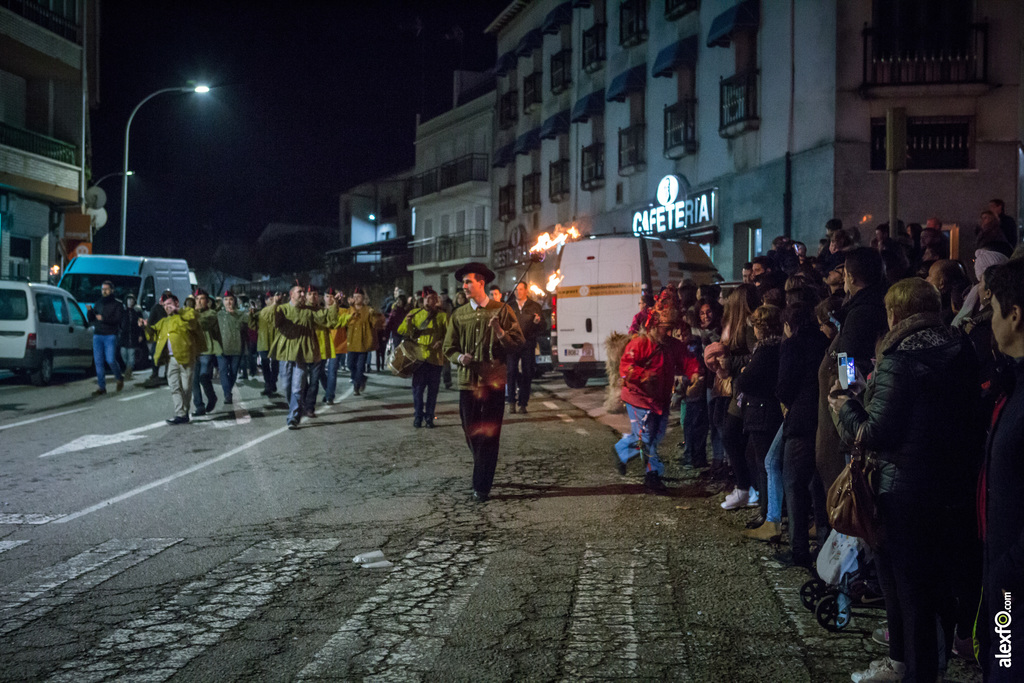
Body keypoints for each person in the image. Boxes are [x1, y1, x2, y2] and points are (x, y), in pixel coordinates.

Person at [831, 277, 981, 683]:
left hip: (903, 489)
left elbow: (873, 433)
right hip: (952, 484)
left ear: (895, 314)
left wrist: (846, 407)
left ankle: (916, 671)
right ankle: (917, 664)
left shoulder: (900, 357)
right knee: (936, 588)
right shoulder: (959, 345)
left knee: (908, 588)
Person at [443, 262, 524, 502]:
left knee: (489, 435)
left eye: (468, 282)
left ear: (481, 283)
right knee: (472, 433)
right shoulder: (459, 314)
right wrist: (459, 357)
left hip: (494, 383)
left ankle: (482, 485)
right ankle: (483, 466)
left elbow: (518, 342)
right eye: (463, 283)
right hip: (467, 382)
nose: (464, 286)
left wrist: (499, 331)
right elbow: (449, 348)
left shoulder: (502, 310)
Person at [978, 258, 1024, 681]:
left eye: (993, 311)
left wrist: (1009, 567)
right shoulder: (1012, 378)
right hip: (1003, 570)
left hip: (1015, 585)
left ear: (1015, 315)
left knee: (1008, 665)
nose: (989, 323)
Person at [815, 247, 888, 490]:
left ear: (852, 277)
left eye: (845, 273)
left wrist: (845, 391)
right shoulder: (876, 301)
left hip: (856, 403)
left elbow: (847, 356)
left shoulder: (860, 312)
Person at [767, 302, 830, 564]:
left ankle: (799, 549)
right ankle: (826, 548)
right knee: (819, 485)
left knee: (794, 483)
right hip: (825, 419)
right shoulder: (827, 342)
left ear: (788, 325)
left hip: (801, 420)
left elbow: (784, 386)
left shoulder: (792, 345)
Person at [614, 305, 699, 492]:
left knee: (657, 435)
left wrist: (694, 374)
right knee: (646, 437)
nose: (668, 332)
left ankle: (622, 450)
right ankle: (652, 475)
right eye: (665, 328)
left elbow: (687, 360)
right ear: (654, 325)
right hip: (638, 397)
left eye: (670, 328)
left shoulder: (672, 346)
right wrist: (642, 374)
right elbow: (625, 366)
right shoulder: (639, 344)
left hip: (660, 399)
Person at [270, 285, 340, 429]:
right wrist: (275, 304)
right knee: (286, 386)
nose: (303, 294)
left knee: (297, 387)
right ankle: (297, 408)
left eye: (304, 292)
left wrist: (334, 305)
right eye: (299, 292)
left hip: (302, 353)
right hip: (286, 353)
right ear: (291, 294)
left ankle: (293, 418)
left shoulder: (309, 311)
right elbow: (274, 321)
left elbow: (328, 319)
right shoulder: (283, 309)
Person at [140, 294, 202, 424]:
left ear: (176, 303)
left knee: (186, 388)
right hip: (172, 359)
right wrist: (145, 326)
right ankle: (181, 414)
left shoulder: (187, 313)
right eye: (164, 305)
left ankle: (184, 412)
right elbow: (153, 335)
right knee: (174, 386)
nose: (167, 307)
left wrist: (177, 311)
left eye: (169, 304)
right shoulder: (164, 321)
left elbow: (193, 320)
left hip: (186, 357)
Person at [398, 289, 449, 428]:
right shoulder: (414, 314)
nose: (428, 300)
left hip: (435, 358)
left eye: (431, 298)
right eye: (425, 298)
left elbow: (450, 334)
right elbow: (401, 331)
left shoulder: (442, 316)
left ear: (435, 300)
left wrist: (442, 341)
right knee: (418, 390)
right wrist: (408, 322)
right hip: (419, 358)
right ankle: (418, 416)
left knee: (433, 391)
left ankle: (430, 417)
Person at [505, 282, 544, 414]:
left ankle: (523, 403)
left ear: (526, 291)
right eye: (516, 290)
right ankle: (511, 401)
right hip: (513, 344)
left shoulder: (535, 306)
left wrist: (537, 323)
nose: (518, 292)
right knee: (511, 372)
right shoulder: (509, 306)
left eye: (521, 289)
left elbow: (544, 326)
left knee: (527, 372)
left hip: (528, 344)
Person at [339, 288, 382, 396]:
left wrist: (374, 314)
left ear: (363, 298)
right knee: (350, 365)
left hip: (363, 343)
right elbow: (345, 322)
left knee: (360, 367)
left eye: (358, 296)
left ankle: (356, 386)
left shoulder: (368, 310)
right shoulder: (350, 310)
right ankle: (362, 378)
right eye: (354, 296)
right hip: (352, 343)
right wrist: (352, 307)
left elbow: (376, 323)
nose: (356, 298)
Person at [87, 280, 125, 395]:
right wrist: (90, 312)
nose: (104, 291)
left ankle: (119, 377)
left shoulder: (117, 304)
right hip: (98, 335)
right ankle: (102, 387)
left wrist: (103, 318)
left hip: (110, 335)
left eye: (106, 289)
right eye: (102, 289)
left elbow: (118, 320)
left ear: (112, 290)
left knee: (110, 359)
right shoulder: (99, 303)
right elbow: (92, 319)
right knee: (98, 362)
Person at [191, 290, 220, 416]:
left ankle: (212, 397)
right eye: (197, 299)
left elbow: (202, 324)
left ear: (207, 301)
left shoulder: (211, 314)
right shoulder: (192, 314)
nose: (199, 301)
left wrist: (192, 315)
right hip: (194, 350)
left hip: (207, 350)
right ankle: (199, 406)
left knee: (203, 377)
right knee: (194, 379)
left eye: (201, 299)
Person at [216, 291, 248, 405]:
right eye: (226, 300)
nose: (228, 302)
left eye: (230, 299)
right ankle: (227, 394)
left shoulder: (240, 313)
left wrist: (235, 314)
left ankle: (228, 390)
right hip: (222, 348)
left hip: (236, 347)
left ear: (234, 301)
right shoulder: (219, 314)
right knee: (223, 371)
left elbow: (247, 322)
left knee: (233, 372)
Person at [253, 291, 283, 397]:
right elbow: (252, 325)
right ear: (265, 301)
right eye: (270, 299)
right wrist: (251, 315)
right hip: (263, 342)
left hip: (275, 342)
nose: (272, 300)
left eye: (273, 298)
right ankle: (268, 385)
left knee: (275, 364)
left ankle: (272, 382)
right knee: (265, 364)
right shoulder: (261, 313)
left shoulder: (280, 310)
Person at [118, 294, 144, 381]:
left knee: (131, 355)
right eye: (129, 300)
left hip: (133, 336)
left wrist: (140, 334)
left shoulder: (137, 312)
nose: (130, 301)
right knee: (123, 354)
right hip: (124, 337)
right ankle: (128, 369)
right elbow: (118, 323)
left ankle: (128, 371)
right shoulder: (122, 312)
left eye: (132, 300)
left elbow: (141, 324)